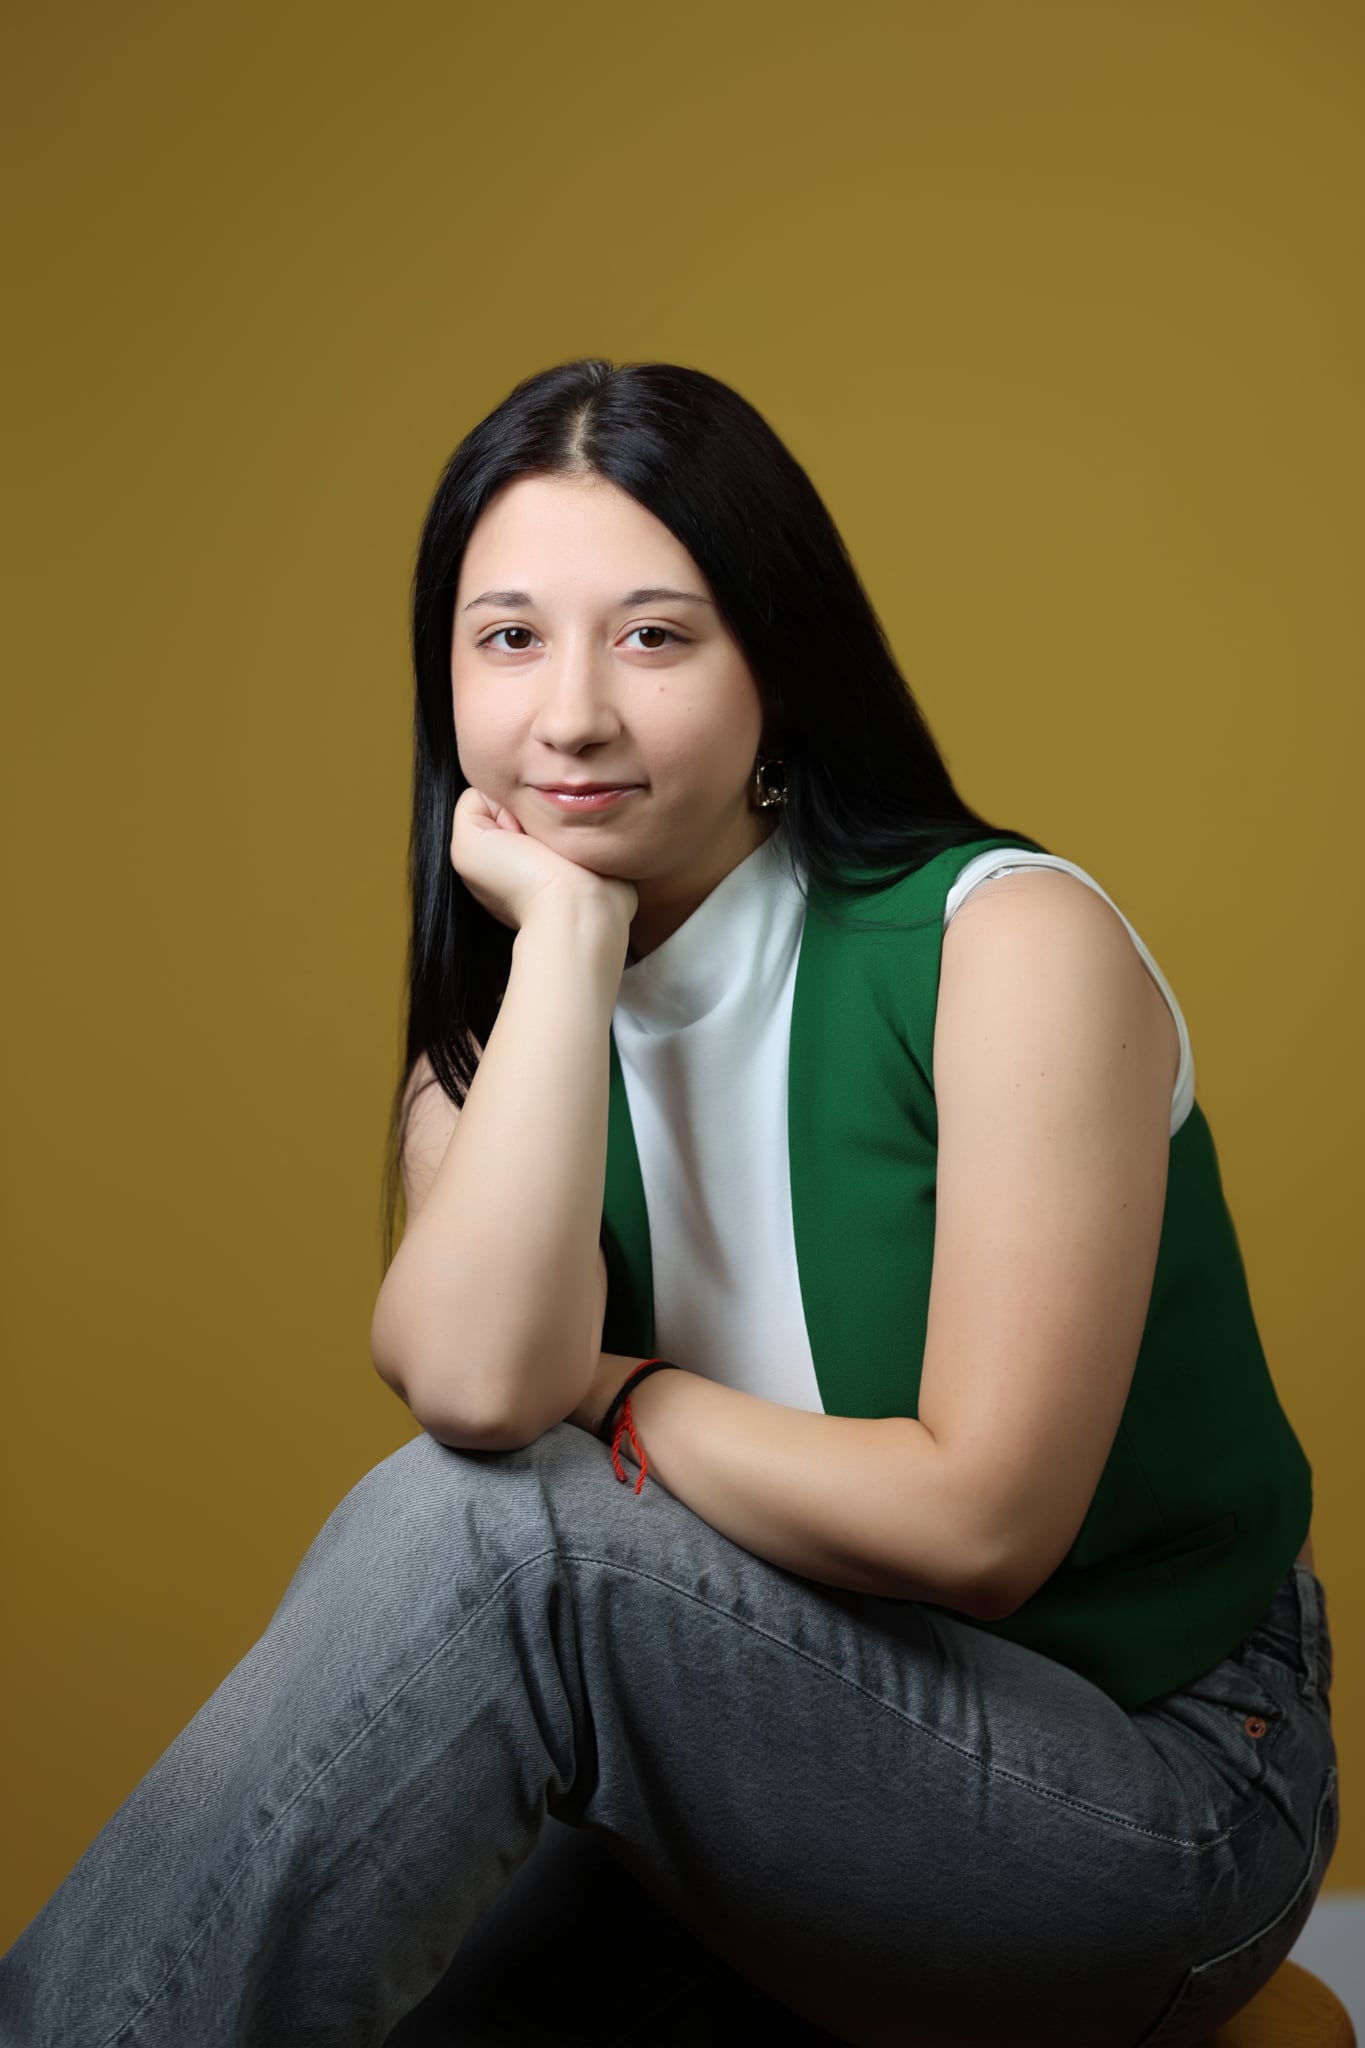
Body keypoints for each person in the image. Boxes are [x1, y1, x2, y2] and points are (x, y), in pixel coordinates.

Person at [0, 360, 1337, 2048]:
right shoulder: (496, 1044)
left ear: (778, 662)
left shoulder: (1001, 948)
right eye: (507, 638)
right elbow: (477, 1387)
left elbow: (980, 1529)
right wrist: (568, 945)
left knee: (502, 1534)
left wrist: (625, 1396)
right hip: (760, 1758)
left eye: (651, 636)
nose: (570, 716)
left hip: (1155, 1787)